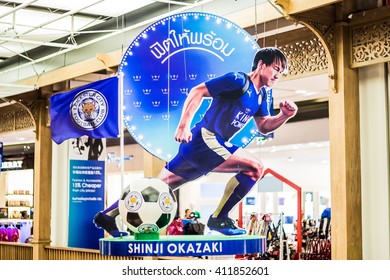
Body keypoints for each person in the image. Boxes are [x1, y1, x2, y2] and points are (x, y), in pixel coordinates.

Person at [93, 47, 297, 237]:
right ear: (261, 64)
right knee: (255, 167)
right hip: (205, 140)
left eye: (282, 72)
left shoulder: (263, 95)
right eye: (276, 69)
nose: (278, 75)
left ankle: (106, 216)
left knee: (159, 187)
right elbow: (198, 91)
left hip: (204, 147)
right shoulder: (237, 80)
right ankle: (219, 218)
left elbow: (263, 126)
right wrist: (183, 124)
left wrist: (284, 116)